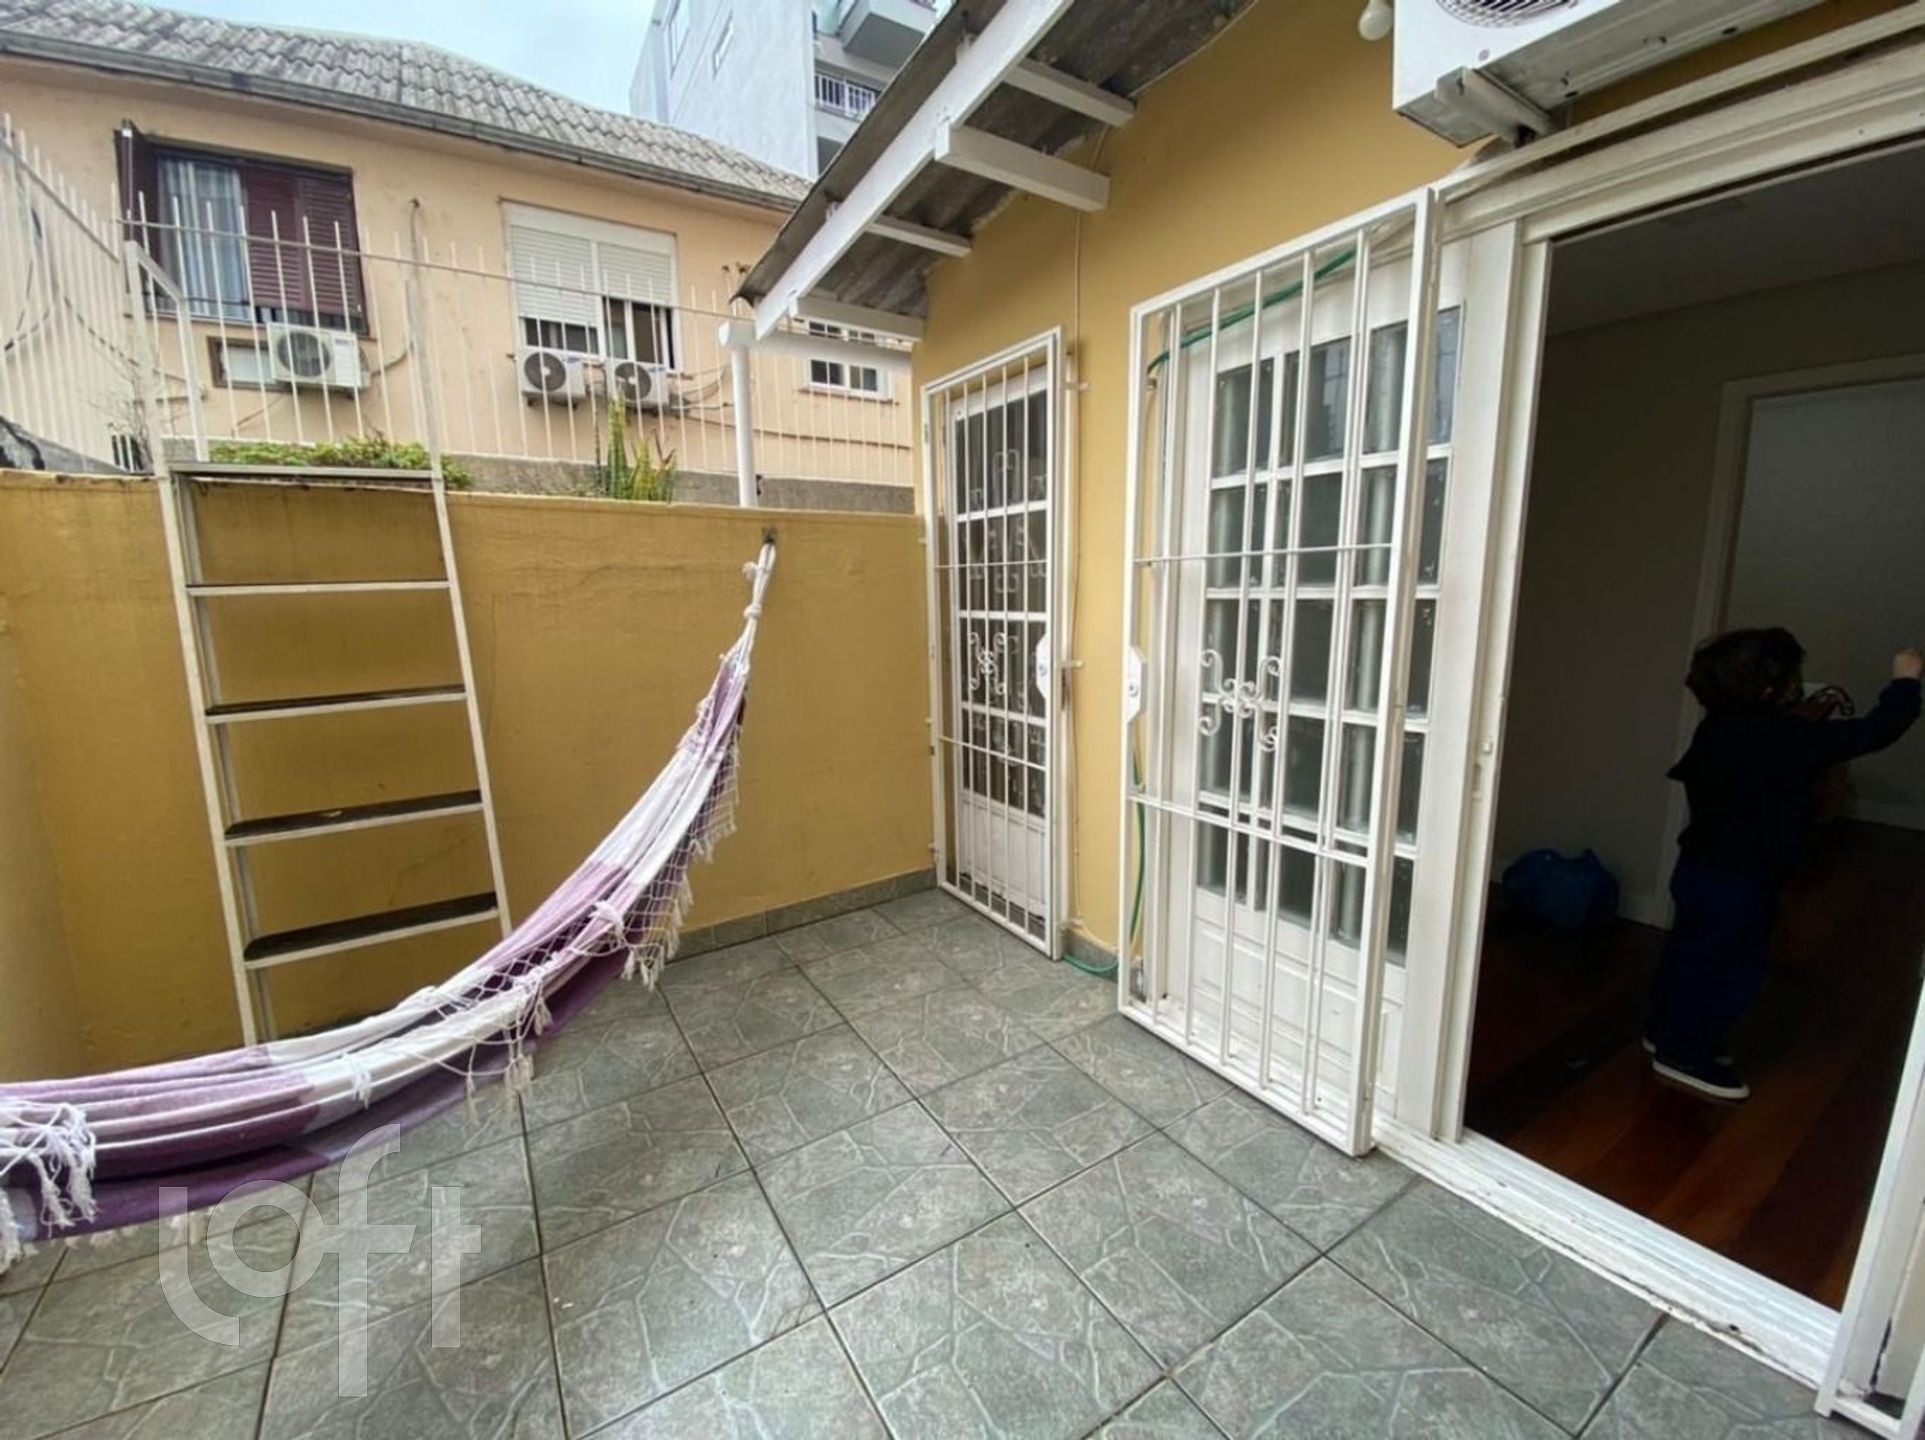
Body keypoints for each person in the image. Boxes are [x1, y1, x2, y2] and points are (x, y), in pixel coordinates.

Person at [1648, 628, 1922, 1100]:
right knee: (1732, 969)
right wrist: (1906, 682)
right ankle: (1684, 1052)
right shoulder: (1787, 738)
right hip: (1743, 881)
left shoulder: (1717, 725)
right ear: (1772, 690)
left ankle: (1666, 1030)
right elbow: (1874, 731)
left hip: (1697, 868)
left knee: (1689, 954)